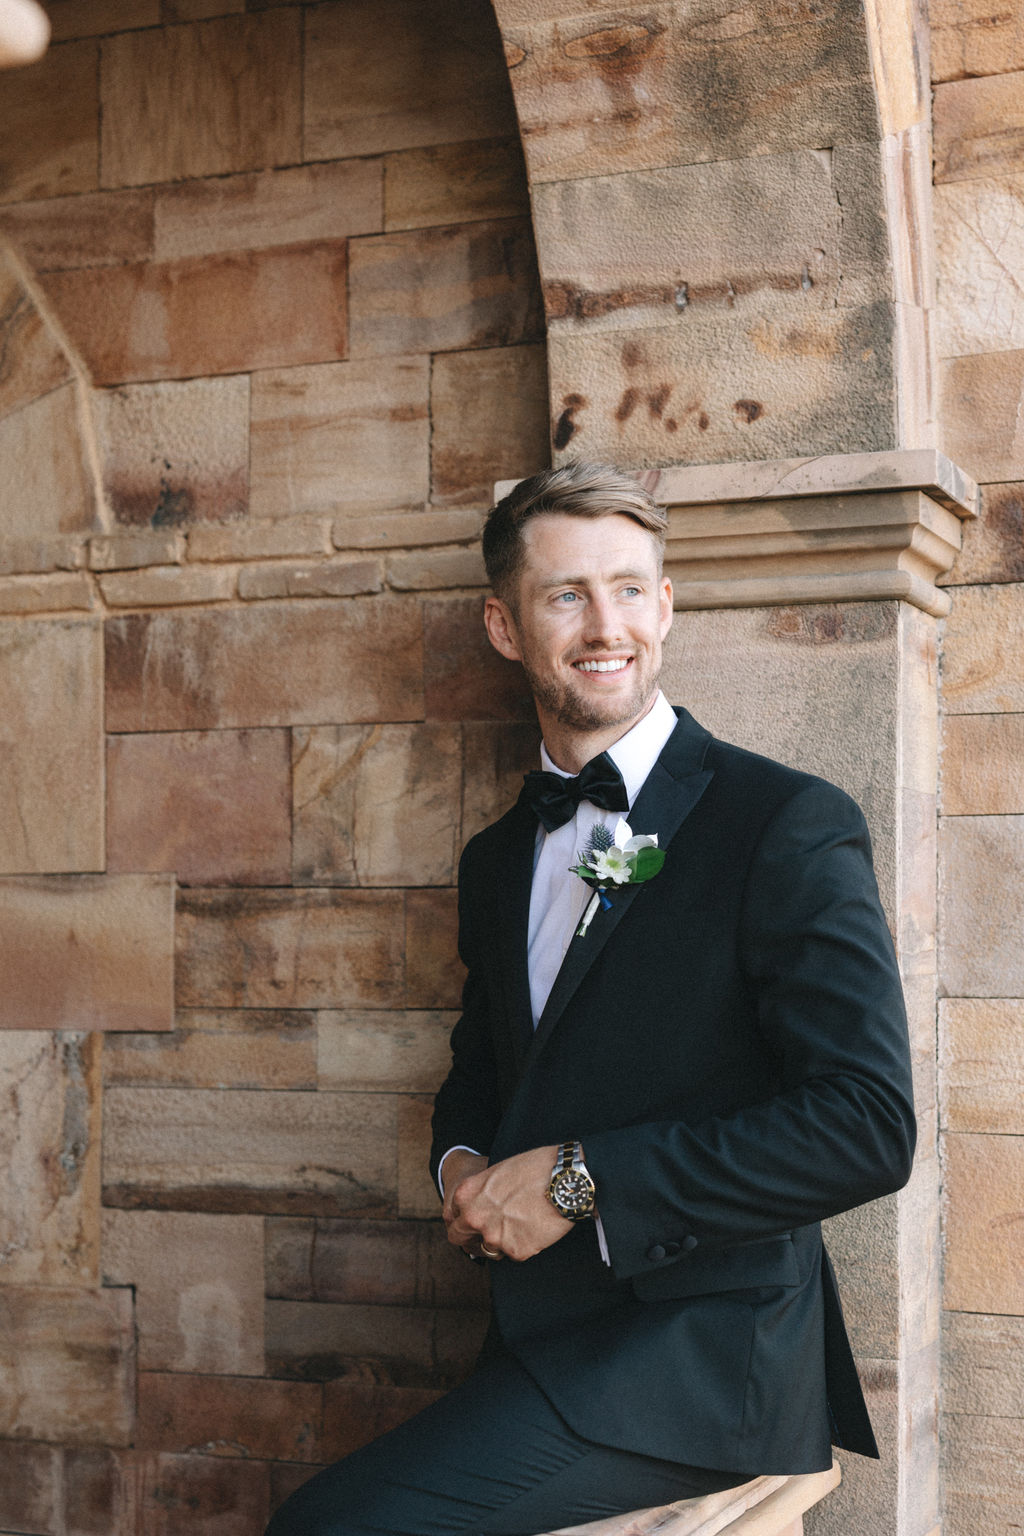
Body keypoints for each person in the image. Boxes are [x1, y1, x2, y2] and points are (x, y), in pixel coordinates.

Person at [266, 462, 916, 1536]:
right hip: (540, 1343)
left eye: (627, 588)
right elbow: (483, 1067)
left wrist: (576, 1183)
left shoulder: (783, 822)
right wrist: (462, 1166)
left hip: (701, 1362)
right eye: (566, 593)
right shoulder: (493, 859)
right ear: (504, 625)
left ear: (664, 606)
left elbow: (865, 1127)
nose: (602, 622)